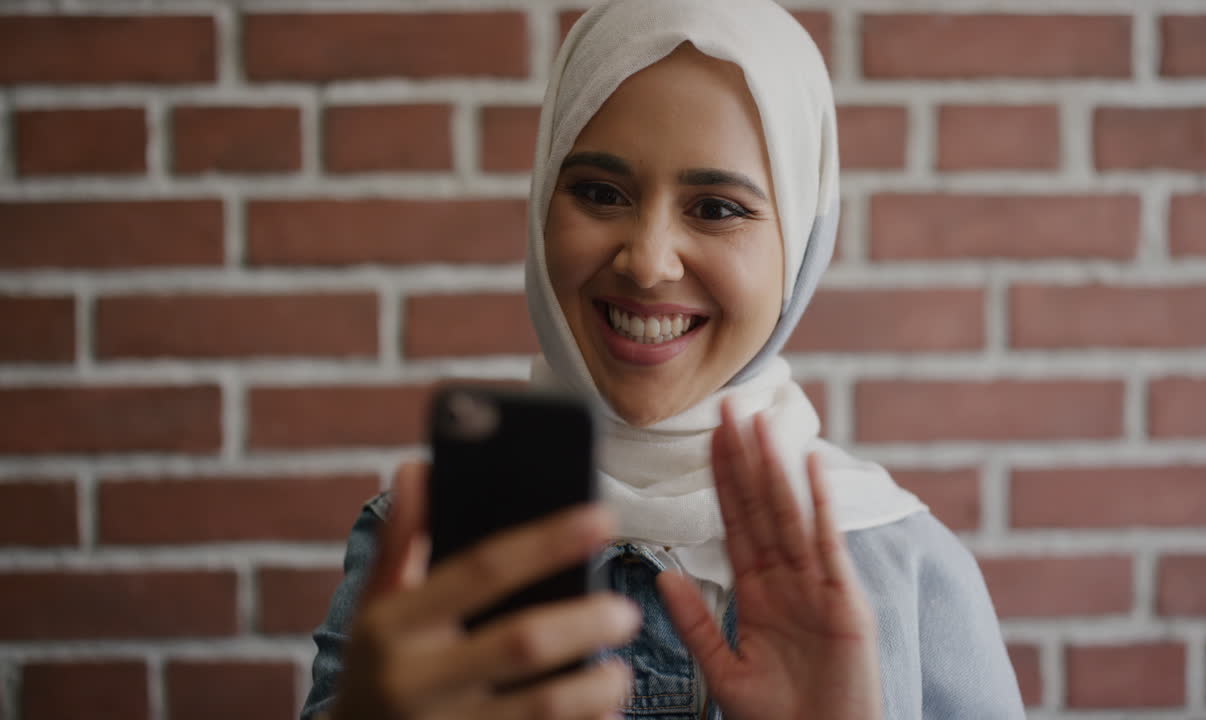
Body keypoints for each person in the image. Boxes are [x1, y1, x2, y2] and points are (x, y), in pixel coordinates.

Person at [302, 1, 1026, 718]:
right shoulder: (427, 549)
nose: (647, 263)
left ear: (801, 245)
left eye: (715, 208)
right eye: (598, 192)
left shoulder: (906, 566)